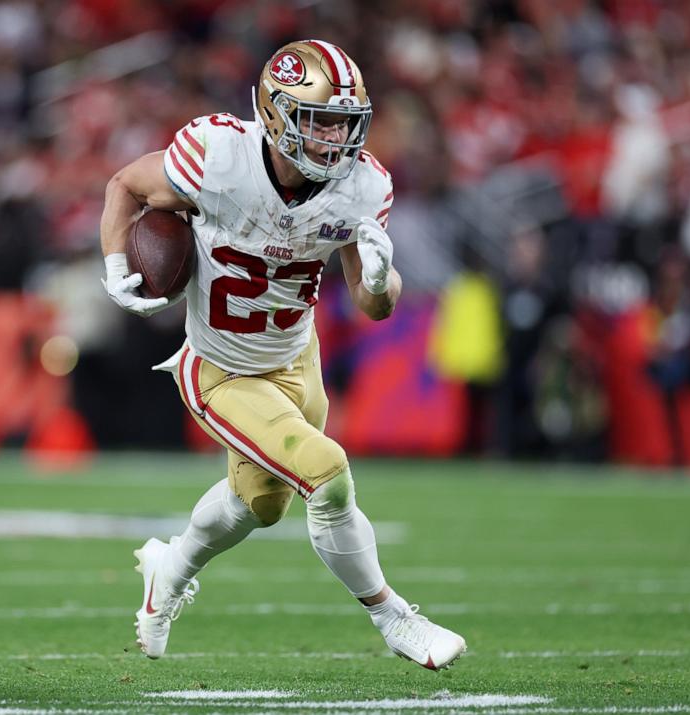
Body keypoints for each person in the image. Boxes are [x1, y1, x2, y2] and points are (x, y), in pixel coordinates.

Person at [99, 40, 467, 670]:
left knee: (261, 506)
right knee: (327, 475)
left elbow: (373, 302)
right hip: (221, 369)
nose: (334, 139)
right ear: (273, 113)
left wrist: (381, 284)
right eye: (319, 121)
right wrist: (114, 265)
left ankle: (167, 572)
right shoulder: (217, 155)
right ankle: (395, 617)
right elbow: (125, 184)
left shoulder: (360, 186)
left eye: (345, 125)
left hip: (298, 359)